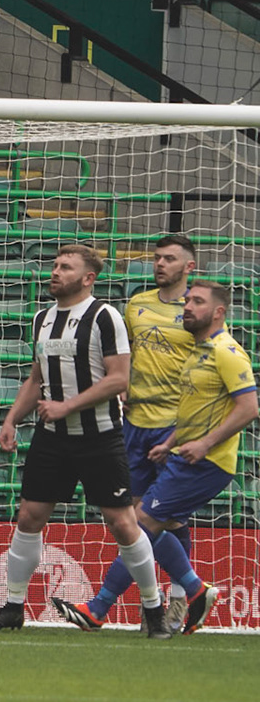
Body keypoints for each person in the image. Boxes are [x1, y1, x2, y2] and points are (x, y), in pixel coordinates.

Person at [0, 244, 169, 637]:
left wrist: (67, 406)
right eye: (55, 265)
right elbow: (37, 378)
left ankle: (154, 610)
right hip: (52, 439)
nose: (55, 271)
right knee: (29, 517)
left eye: (66, 267)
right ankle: (14, 606)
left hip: (100, 437)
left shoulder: (104, 316)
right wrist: (12, 419)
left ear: (87, 278)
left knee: (122, 523)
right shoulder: (42, 319)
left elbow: (119, 378)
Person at [55, 281, 254, 635]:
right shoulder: (197, 351)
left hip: (206, 463)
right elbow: (196, 409)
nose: (187, 307)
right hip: (182, 455)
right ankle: (194, 591)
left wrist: (205, 444)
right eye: (187, 300)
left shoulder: (227, 352)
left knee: (137, 525)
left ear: (219, 312)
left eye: (197, 302)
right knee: (153, 525)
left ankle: (99, 608)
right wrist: (172, 442)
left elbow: (249, 408)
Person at [118, 233, 198, 627]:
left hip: (175, 425)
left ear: (189, 267)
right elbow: (125, 354)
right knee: (136, 517)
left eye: (169, 258)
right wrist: (122, 387)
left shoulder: (197, 311)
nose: (160, 264)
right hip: (135, 424)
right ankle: (157, 598)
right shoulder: (137, 304)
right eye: (157, 258)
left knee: (170, 516)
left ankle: (181, 598)